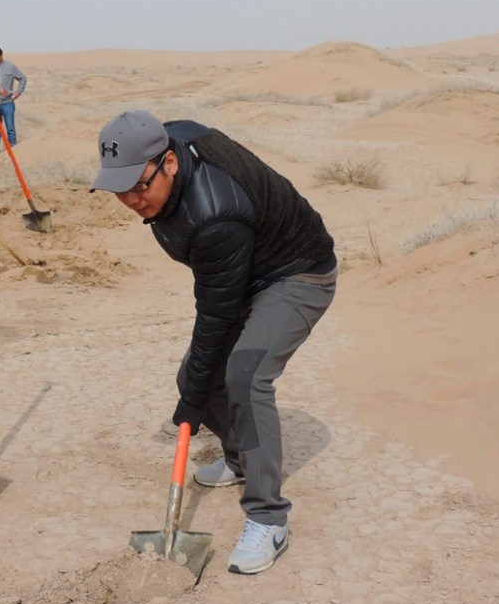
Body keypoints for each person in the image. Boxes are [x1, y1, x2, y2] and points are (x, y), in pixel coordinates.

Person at [90, 111, 337, 575]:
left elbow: (216, 316)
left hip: (298, 274)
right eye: (118, 188)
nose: (130, 199)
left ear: (169, 164)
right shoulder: (167, 149)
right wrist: (194, 390)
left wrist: (189, 403)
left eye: (139, 186)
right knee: (197, 376)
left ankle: (269, 519)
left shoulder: (213, 215)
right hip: (247, 271)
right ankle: (240, 458)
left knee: (243, 377)